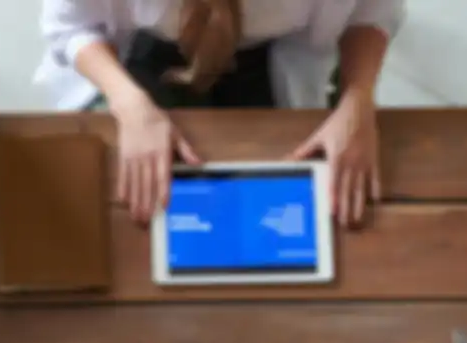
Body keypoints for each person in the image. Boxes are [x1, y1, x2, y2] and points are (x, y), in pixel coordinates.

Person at [37, 0, 404, 226]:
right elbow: (71, 25)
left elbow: (372, 10)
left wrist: (358, 99)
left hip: (270, 54)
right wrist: (129, 103)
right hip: (144, 51)